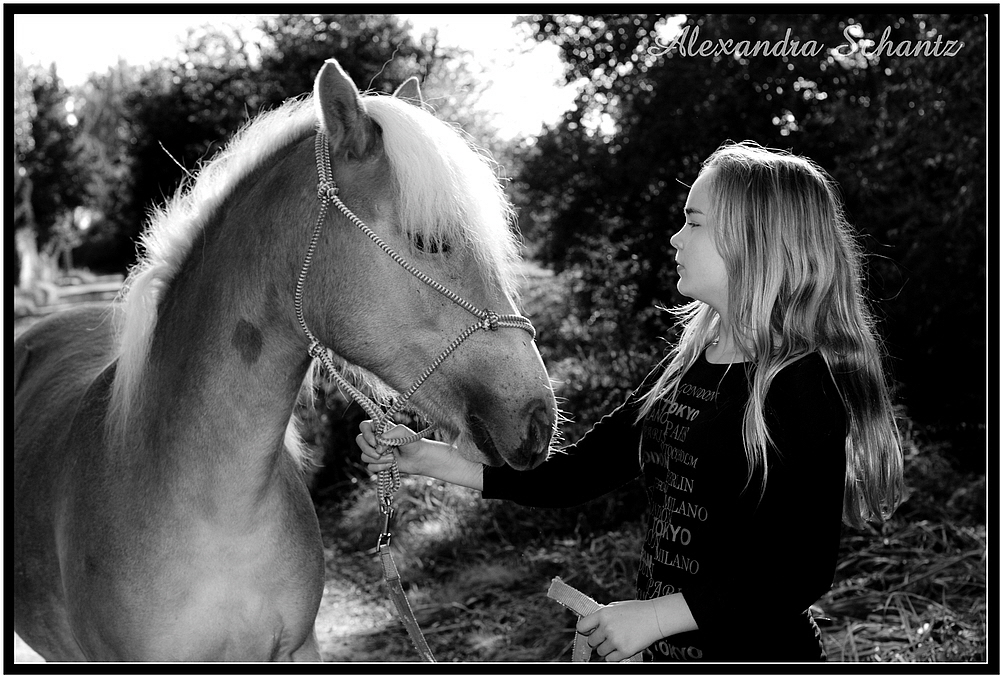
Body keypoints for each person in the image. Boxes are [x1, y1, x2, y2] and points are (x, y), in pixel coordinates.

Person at [356, 140, 904, 662]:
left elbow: (800, 570)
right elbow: (579, 472)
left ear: (753, 239)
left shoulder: (800, 383)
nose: (674, 239)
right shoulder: (687, 365)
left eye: (694, 221)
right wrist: (423, 457)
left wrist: (659, 617)